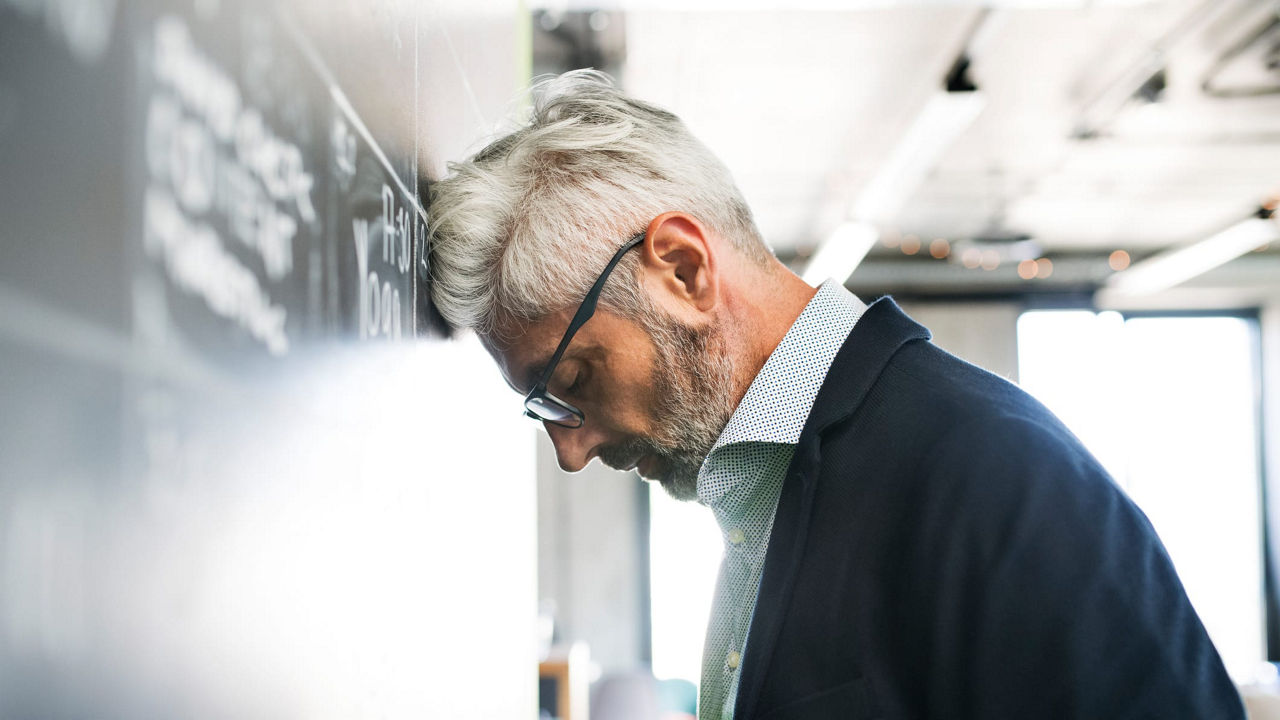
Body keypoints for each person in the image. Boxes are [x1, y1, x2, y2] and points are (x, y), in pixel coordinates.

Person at [426, 70, 1243, 719]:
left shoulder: (994, 475)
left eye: (570, 382)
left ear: (682, 269)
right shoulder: (764, 499)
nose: (570, 451)